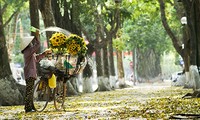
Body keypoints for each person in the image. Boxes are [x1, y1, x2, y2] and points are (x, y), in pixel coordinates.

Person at [21, 30, 52, 113]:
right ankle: (28, 108)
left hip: (31, 73)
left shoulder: (31, 53)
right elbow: (37, 45)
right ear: (28, 45)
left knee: (30, 91)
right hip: (30, 74)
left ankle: (31, 107)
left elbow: (37, 58)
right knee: (29, 91)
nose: (31, 43)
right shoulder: (27, 52)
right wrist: (37, 36)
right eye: (30, 43)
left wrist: (44, 53)